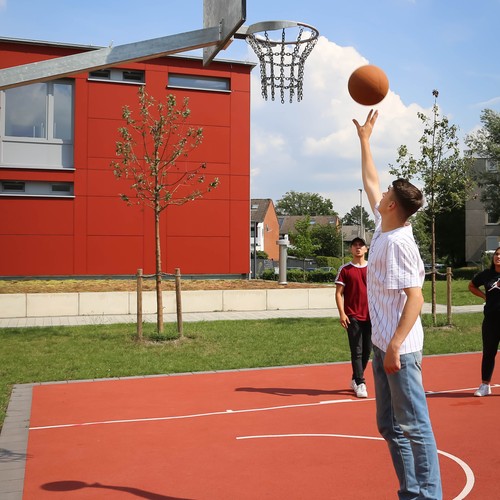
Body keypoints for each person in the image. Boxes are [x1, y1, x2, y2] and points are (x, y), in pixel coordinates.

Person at [353, 109, 442, 499]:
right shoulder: (385, 225)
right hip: (383, 344)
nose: (382, 193)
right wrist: (365, 141)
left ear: (393, 206)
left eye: (388, 194)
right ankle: (412, 492)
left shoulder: (400, 244)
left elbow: (416, 297)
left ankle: (429, 495)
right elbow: (371, 181)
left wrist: (392, 347)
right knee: (389, 425)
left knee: (414, 425)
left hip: (399, 350)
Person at [335, 237, 372, 398]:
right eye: (355, 245)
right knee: (356, 350)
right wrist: (342, 313)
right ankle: (361, 382)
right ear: (351, 249)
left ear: (366, 249)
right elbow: (338, 293)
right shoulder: (345, 270)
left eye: (361, 245)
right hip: (353, 316)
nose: (358, 248)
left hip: (371, 316)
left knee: (367, 351)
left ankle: (354, 379)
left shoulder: (373, 268)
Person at [468, 246, 500, 397]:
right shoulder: (487, 275)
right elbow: (472, 286)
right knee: (488, 352)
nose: (498, 257)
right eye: (496, 254)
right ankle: (485, 385)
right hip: (491, 321)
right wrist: (484, 296)